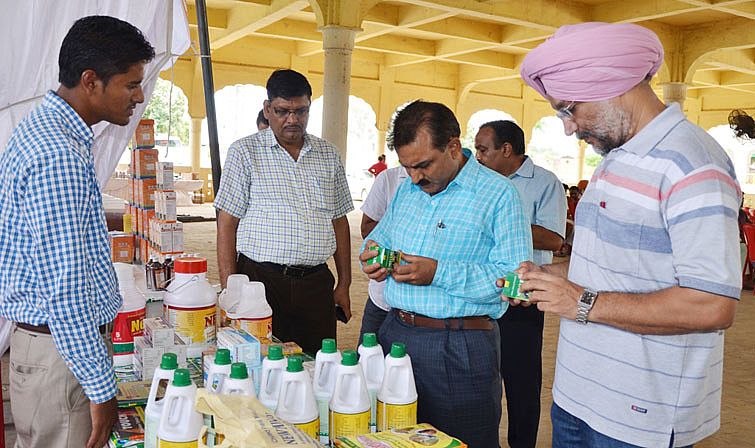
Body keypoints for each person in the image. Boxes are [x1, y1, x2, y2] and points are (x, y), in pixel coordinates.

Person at [513, 22, 740, 447]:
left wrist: (579, 301)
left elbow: (712, 306)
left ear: (612, 84)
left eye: (570, 108)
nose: (568, 127)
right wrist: (550, 282)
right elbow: (618, 269)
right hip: (577, 396)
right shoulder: (616, 156)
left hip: (641, 418)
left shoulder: (693, 165)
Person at [0, 16, 154, 448]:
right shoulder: (59, 156)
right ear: (91, 80)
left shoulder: (45, 131)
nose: (139, 96)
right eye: (131, 84)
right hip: (61, 359)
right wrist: (101, 389)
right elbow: (65, 290)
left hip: (49, 350)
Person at [360, 100, 532, 448]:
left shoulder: (499, 195)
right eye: (407, 167)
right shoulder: (408, 190)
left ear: (453, 146)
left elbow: (517, 282)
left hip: (459, 346)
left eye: (423, 165)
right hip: (395, 334)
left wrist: (438, 273)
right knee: (391, 437)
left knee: (464, 440)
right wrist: (372, 256)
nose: (414, 177)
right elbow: (381, 236)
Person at [215, 69, 353, 355]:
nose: (292, 120)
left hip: (316, 283)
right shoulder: (245, 152)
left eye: (301, 111)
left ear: (309, 108)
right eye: (282, 111)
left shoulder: (328, 154)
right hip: (260, 282)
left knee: (317, 364)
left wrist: (344, 283)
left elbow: (339, 221)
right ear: (267, 109)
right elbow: (227, 224)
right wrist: (230, 289)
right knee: (260, 361)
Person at [475, 120, 566, 448]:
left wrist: (507, 222)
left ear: (507, 149)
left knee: (521, 384)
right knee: (481, 380)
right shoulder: (476, 180)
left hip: (522, 295)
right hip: (483, 293)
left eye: (483, 149)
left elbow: (554, 239)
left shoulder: (544, 183)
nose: (477, 156)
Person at [358, 165, 408, 343]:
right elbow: (368, 230)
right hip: (383, 299)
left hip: (421, 313)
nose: (415, 176)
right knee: (366, 360)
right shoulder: (389, 179)